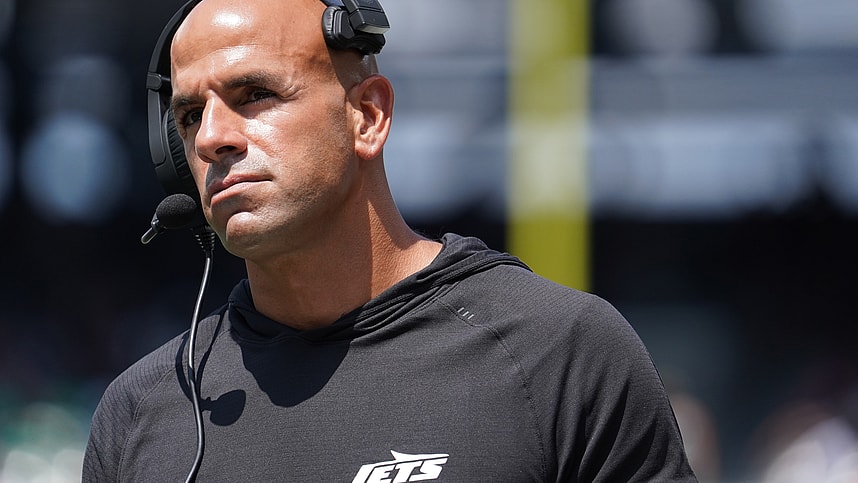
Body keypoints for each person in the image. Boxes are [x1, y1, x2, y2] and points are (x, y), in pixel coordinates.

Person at [83, 0, 697, 481]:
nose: (213, 136)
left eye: (255, 95)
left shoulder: (561, 352)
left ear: (368, 116)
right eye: (190, 116)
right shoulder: (141, 411)